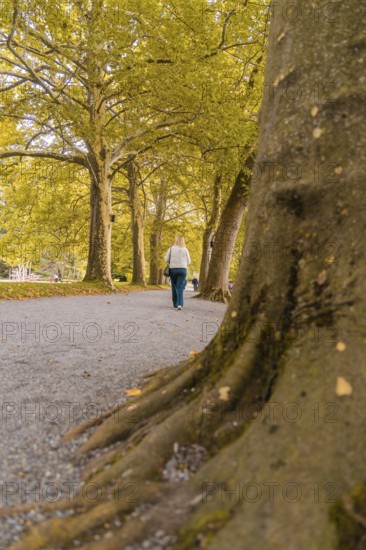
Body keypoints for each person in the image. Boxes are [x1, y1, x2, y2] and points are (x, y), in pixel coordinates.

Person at [165, 236, 191, 310]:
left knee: (174, 286)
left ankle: (175, 304)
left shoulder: (171, 249)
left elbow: (166, 259)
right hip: (183, 270)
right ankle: (180, 304)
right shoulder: (185, 249)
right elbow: (189, 261)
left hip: (173, 270)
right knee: (180, 287)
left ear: (175, 240)